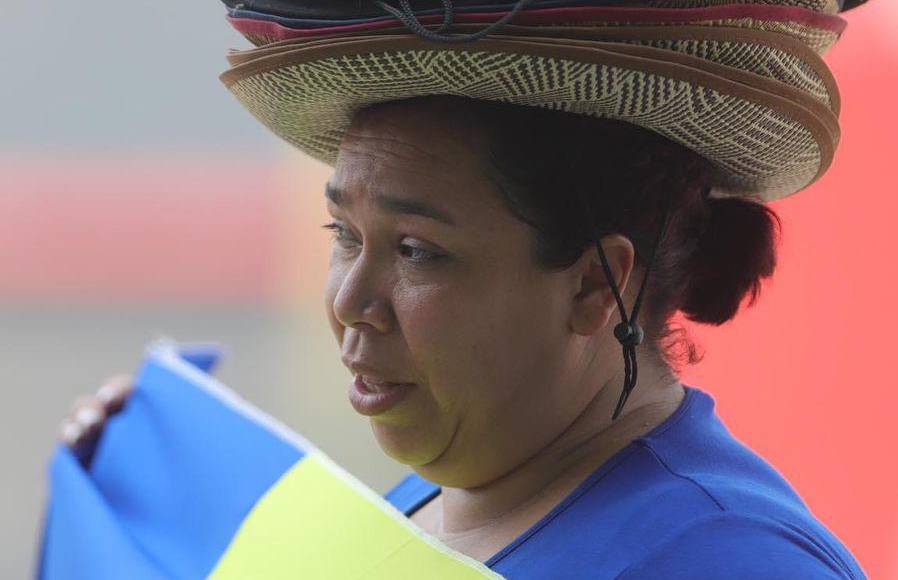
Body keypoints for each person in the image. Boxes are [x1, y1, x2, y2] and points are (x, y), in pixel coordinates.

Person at [57, 1, 869, 577]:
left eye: (416, 250)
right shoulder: (428, 502)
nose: (349, 301)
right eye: (344, 235)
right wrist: (140, 505)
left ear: (595, 284)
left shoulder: (727, 561)